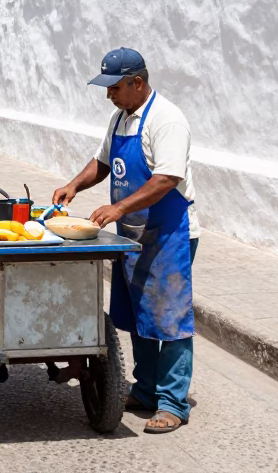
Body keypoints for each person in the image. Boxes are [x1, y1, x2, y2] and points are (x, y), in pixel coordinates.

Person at [53, 48, 199, 434]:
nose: (109, 96)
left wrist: (118, 210)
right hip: (133, 236)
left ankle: (172, 402)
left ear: (138, 82)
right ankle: (147, 390)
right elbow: (102, 163)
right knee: (140, 318)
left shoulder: (167, 120)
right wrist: (74, 185)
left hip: (169, 235)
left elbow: (165, 179)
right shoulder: (120, 118)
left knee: (169, 320)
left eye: (115, 88)